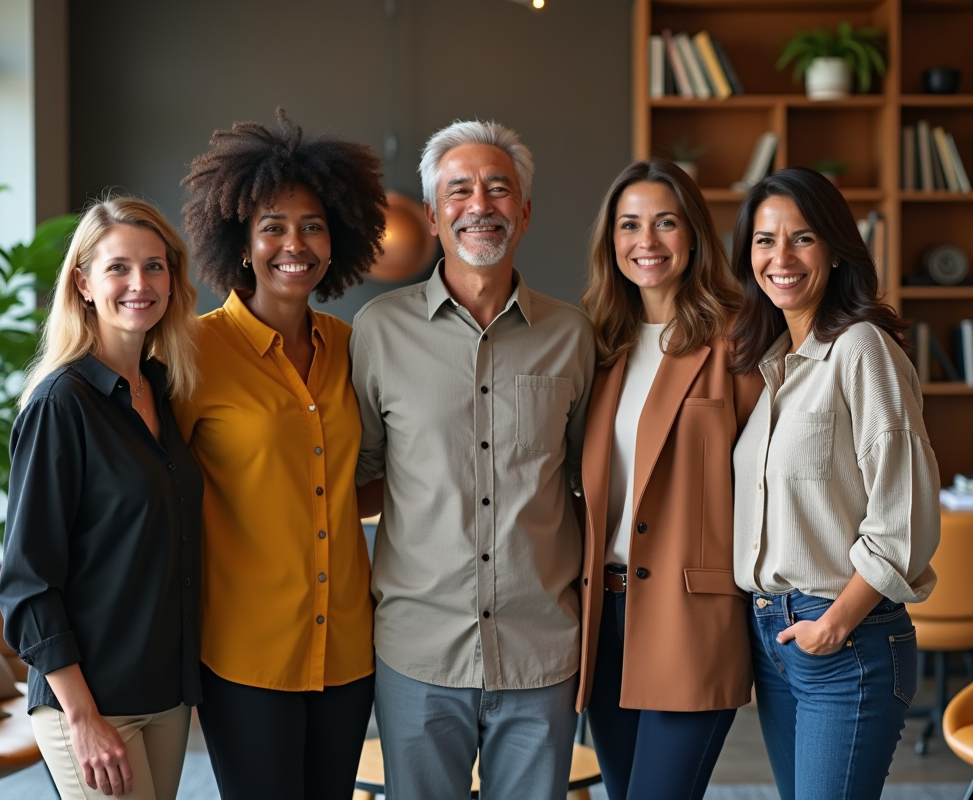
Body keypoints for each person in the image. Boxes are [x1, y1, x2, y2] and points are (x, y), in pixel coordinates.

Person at [350, 120, 595, 800]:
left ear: (525, 212)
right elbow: (360, 475)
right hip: (418, 653)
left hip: (541, 650)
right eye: (459, 190)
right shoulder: (379, 331)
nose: (479, 205)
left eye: (498, 188)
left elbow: (588, 482)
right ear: (433, 216)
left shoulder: (571, 336)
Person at [174, 108, 387, 800]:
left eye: (313, 225)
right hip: (246, 655)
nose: (294, 244)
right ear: (241, 242)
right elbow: (157, 491)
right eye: (272, 226)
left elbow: (362, 479)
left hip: (348, 650)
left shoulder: (354, 348)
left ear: (337, 239)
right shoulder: (194, 354)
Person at [728, 167, 940, 800]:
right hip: (775, 635)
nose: (781, 258)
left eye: (803, 238)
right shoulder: (770, 366)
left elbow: (905, 517)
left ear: (837, 249)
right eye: (765, 240)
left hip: (844, 636)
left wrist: (834, 625)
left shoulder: (861, 349)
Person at [0, 197, 202, 800]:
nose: (140, 283)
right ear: (83, 284)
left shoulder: (163, 390)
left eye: (155, 266)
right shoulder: (60, 404)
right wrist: (82, 718)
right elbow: (27, 583)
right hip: (88, 702)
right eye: (118, 267)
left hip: (165, 692)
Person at [575, 158, 763, 800]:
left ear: (694, 235)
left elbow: (770, 479)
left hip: (691, 616)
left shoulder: (740, 339)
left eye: (665, 222)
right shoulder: (597, 343)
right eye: (629, 225)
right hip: (603, 617)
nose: (646, 241)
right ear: (611, 241)